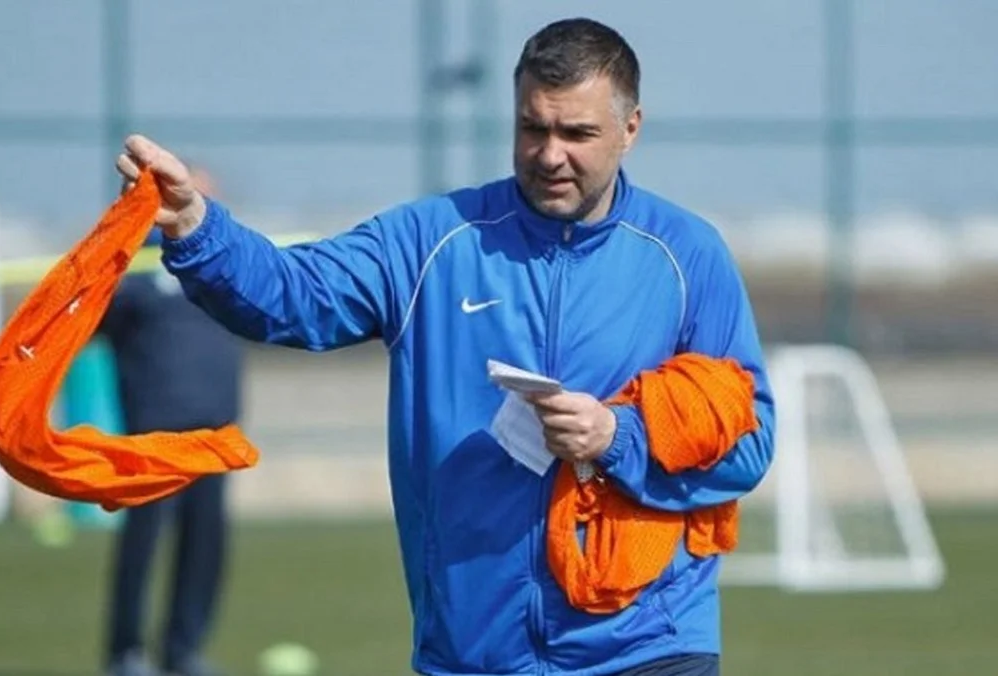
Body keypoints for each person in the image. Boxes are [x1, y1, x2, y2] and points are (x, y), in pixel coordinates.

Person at [115, 18, 775, 676]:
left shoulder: (688, 256)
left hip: (649, 646)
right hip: (475, 652)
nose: (550, 154)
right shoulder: (432, 241)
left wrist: (616, 435)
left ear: (629, 129)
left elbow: (750, 445)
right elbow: (292, 295)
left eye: (577, 134)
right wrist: (195, 226)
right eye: (532, 128)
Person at [99, 167, 244, 676]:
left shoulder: (225, 265)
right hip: (154, 430)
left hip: (214, 431)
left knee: (206, 546)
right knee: (143, 542)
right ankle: (126, 652)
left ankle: (183, 650)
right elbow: (99, 323)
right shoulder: (138, 264)